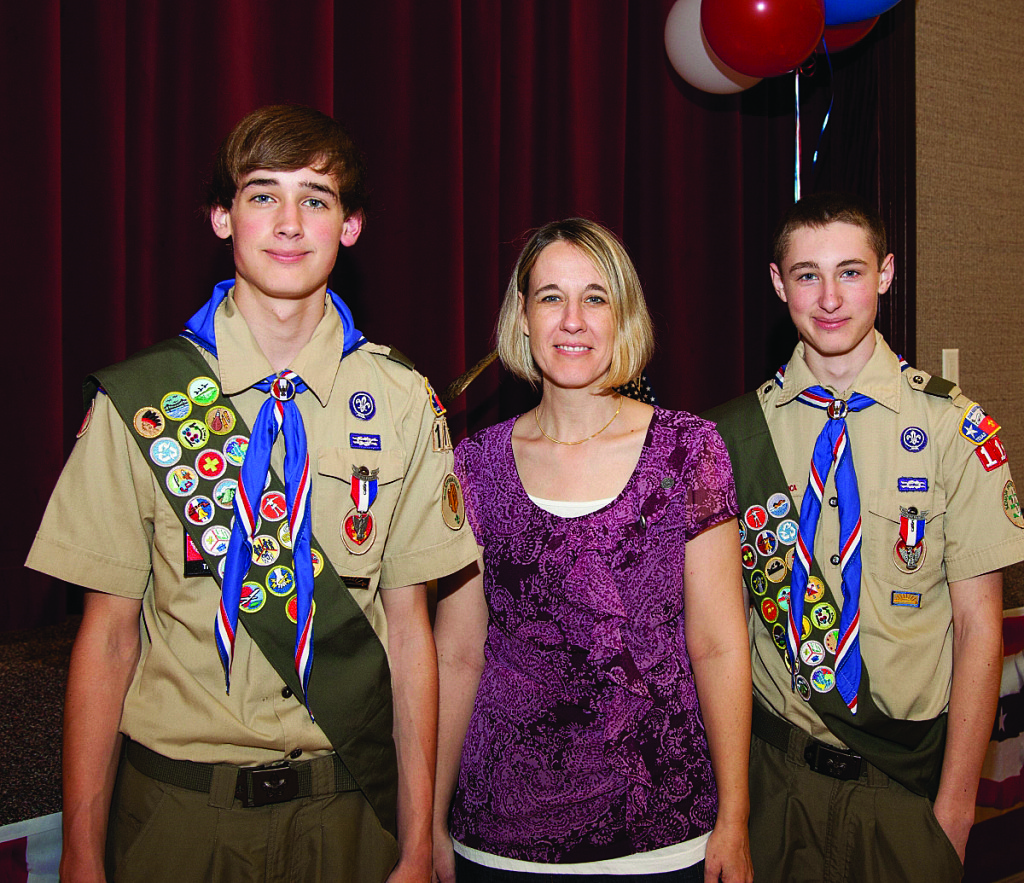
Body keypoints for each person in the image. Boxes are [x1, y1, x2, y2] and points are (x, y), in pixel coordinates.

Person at [26, 104, 480, 883]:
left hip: (349, 813)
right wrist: (81, 851)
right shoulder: (144, 401)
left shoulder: (403, 399)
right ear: (220, 216)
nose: (289, 222)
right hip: (177, 815)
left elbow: (411, 637)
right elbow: (105, 640)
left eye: (317, 197)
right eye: (262, 193)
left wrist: (414, 841)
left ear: (351, 227)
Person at [706, 192, 1024, 882]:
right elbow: (716, 636)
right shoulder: (728, 440)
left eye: (849, 272)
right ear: (776, 281)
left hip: (905, 787)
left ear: (884, 274)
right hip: (775, 782)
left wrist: (957, 810)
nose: (828, 298)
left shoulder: (953, 430)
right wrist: (732, 808)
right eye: (806, 274)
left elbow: (979, 629)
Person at [432, 218, 754, 883]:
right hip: (500, 836)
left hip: (664, 833)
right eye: (551, 296)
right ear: (521, 318)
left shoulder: (688, 451)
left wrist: (737, 817)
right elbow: (459, 655)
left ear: (623, 316)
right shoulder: (473, 464)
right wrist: (428, 823)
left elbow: (720, 645)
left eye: (595, 297)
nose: (572, 319)